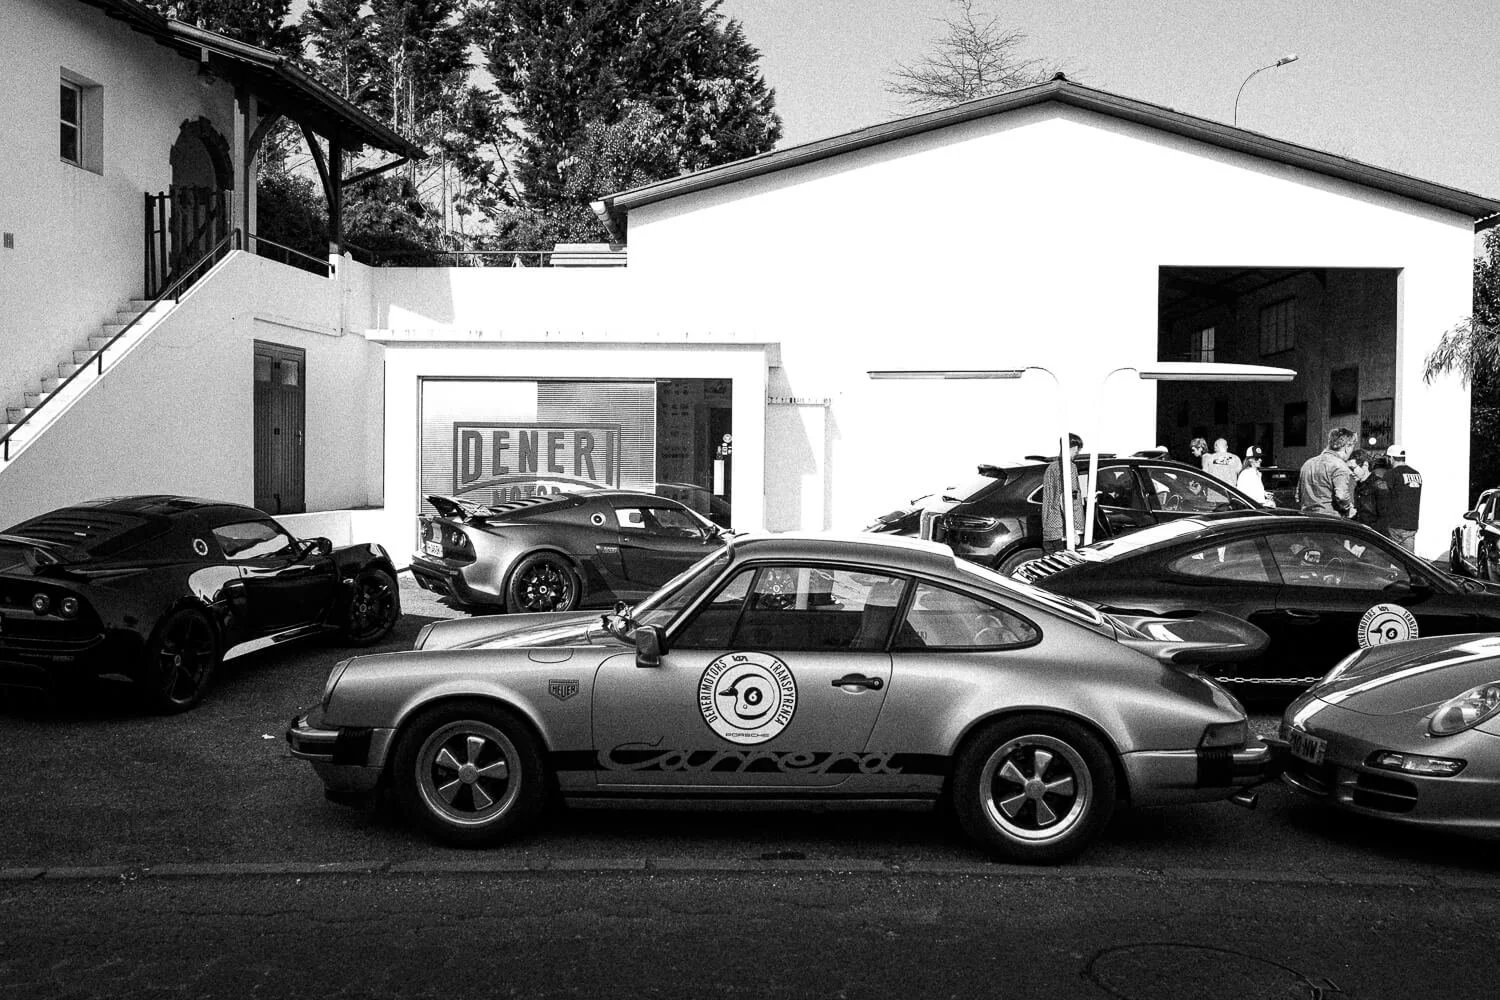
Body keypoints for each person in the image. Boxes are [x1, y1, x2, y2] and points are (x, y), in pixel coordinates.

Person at [1041, 433, 1085, 554]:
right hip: (1064, 533)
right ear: (1073, 447)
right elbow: (1068, 498)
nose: (1078, 452)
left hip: (1050, 531)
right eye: (1078, 448)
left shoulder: (1051, 468)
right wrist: (1073, 531)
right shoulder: (1069, 467)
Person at [1298, 427, 1356, 517]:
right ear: (1347, 447)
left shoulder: (1308, 463)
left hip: (1306, 518)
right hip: (1329, 521)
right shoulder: (1340, 465)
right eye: (1352, 447)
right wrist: (1349, 508)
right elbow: (1341, 496)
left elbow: (1298, 496)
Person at [1386, 444, 1423, 552]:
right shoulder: (1417, 474)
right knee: (1409, 560)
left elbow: (1383, 496)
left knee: (1392, 560)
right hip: (1411, 525)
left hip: (1394, 525)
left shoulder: (1391, 474)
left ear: (1391, 458)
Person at [1350, 449, 1391, 536]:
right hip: (1362, 535)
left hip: (1374, 538)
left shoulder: (1379, 484)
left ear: (1365, 465)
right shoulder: (1358, 487)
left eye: (1353, 468)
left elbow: (1385, 518)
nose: (1350, 473)